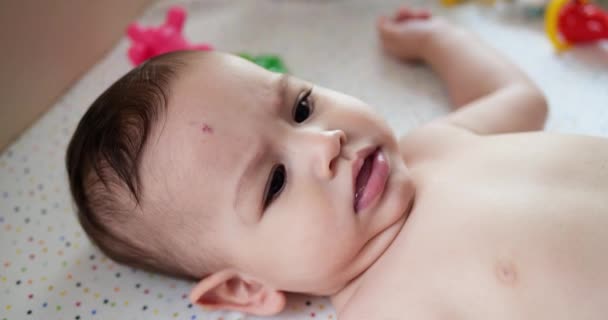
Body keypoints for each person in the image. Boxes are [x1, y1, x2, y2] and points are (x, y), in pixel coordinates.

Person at [66, 6, 608, 319]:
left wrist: (437, 42)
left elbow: (519, 97)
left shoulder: (432, 146)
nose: (324, 142)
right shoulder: (383, 307)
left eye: (301, 107)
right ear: (244, 288)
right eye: (274, 182)